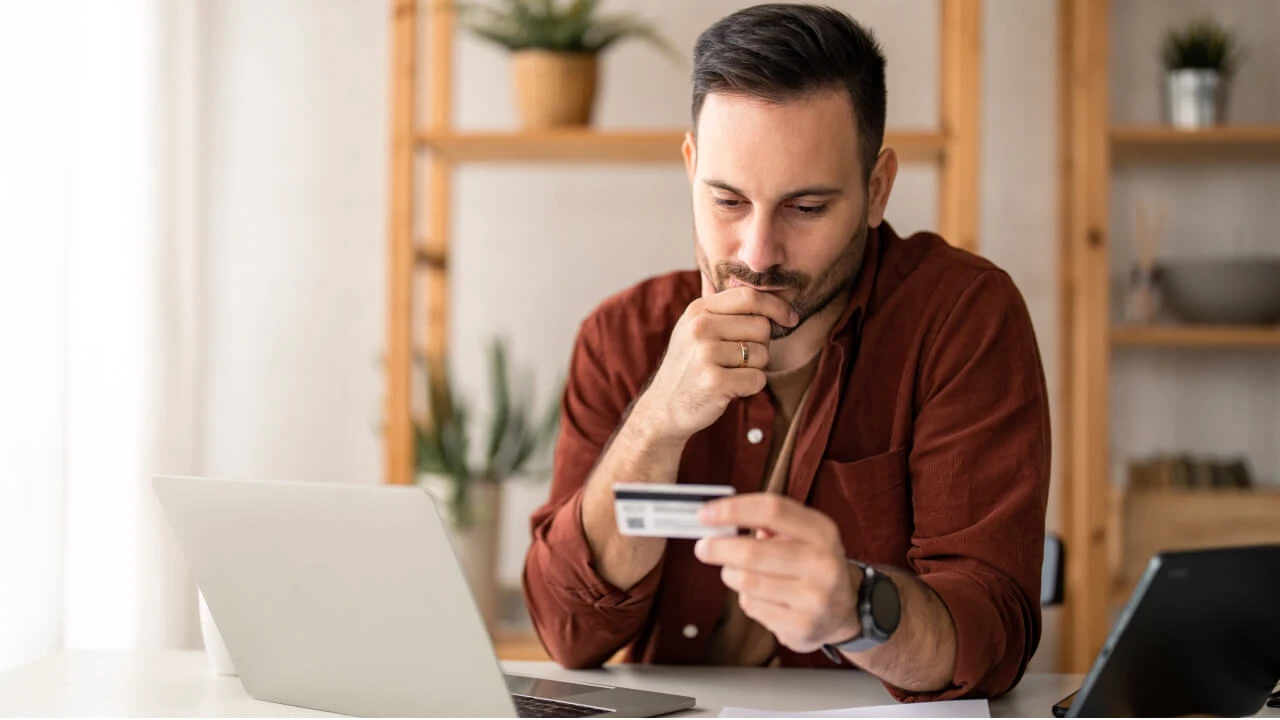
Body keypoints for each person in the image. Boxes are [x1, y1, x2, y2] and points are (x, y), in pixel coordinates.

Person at [522, 3, 1050, 702]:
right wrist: (655, 422)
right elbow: (568, 631)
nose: (757, 255)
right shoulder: (622, 336)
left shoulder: (961, 320)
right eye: (728, 201)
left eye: (806, 208)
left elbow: (993, 640)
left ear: (877, 189)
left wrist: (858, 610)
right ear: (691, 168)